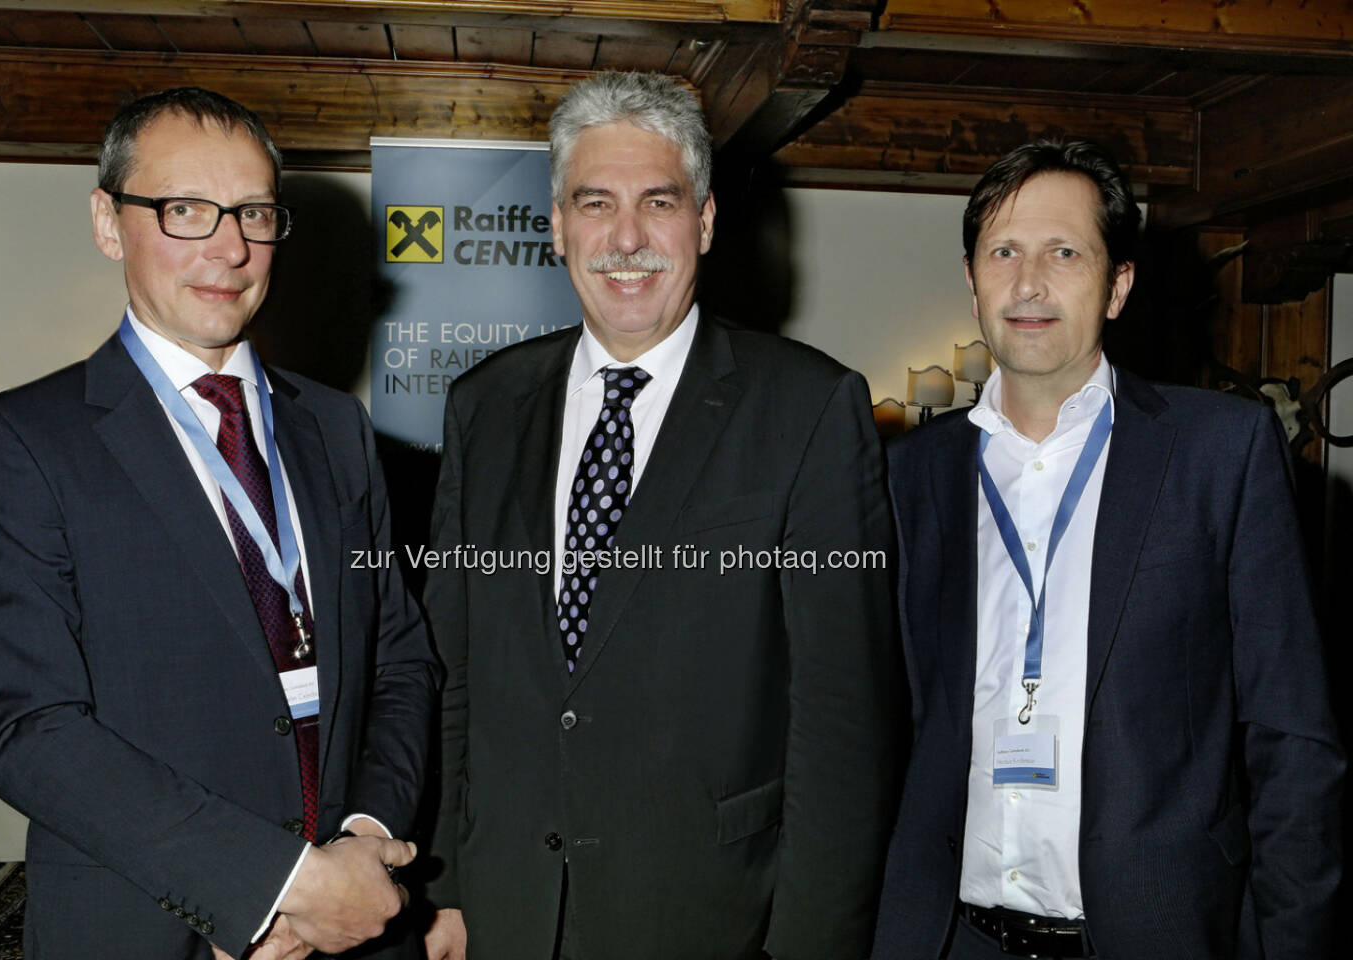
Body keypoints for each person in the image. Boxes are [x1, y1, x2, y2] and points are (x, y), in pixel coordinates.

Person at [420, 71, 904, 960]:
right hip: (505, 913)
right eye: (595, 203)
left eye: (659, 201)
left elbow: (843, 727)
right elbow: (455, 674)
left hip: (713, 921)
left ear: (707, 221)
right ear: (558, 226)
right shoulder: (484, 407)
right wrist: (442, 888)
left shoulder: (809, 409)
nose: (627, 237)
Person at [0, 87, 439, 960]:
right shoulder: (19, 441)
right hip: (148, 926)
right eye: (184, 210)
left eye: (252, 211)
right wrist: (275, 888)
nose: (230, 247)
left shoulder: (338, 428)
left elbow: (401, 660)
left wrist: (361, 846)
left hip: (356, 928)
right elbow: (34, 733)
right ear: (109, 222)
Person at [872, 139, 1344, 959]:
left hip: (1156, 934)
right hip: (948, 936)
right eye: (1004, 252)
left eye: (1064, 252)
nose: (1029, 283)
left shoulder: (1220, 452)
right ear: (972, 278)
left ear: (1118, 284)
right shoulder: (911, 473)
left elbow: (1292, 736)